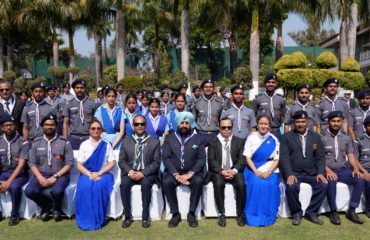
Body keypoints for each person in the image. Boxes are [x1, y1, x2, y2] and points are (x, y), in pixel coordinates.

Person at [279, 110, 328, 226]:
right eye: (297, 122)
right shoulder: (287, 137)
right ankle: (296, 213)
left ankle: (312, 212)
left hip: (312, 173)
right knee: (291, 187)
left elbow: (320, 157)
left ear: (307, 122)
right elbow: (284, 157)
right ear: (293, 123)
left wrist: (321, 173)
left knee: (323, 185)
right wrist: (289, 174)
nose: (300, 124)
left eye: (303, 121)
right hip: (294, 173)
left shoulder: (316, 137)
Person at [24, 114, 74, 221]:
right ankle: (46, 206)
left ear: (56, 126)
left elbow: (69, 163)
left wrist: (55, 176)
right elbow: (32, 163)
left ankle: (57, 208)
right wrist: (40, 177)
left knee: (57, 191)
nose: (49, 127)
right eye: (46, 125)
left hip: (61, 174)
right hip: (42, 174)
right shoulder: (36, 143)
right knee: (29, 191)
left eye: (52, 125)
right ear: (42, 126)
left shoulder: (65, 142)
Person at [162, 112, 206, 228]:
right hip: (174, 172)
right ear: (177, 124)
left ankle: (191, 213)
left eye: (187, 123)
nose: (184, 125)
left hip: (192, 172)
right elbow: (166, 158)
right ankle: (175, 213)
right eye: (182, 122)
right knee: (167, 182)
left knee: (198, 181)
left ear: (191, 124)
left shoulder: (198, 138)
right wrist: (176, 174)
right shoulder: (169, 138)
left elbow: (201, 159)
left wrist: (190, 174)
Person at [322, 110, 364, 225]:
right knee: (330, 182)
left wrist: (356, 169)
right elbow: (318, 159)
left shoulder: (346, 138)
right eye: (333, 121)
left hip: (342, 169)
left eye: (338, 121)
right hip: (328, 170)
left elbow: (350, 156)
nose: (336, 123)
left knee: (359, 179)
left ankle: (352, 210)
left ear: (341, 122)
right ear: (328, 122)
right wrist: (328, 170)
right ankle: (333, 211)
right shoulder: (322, 138)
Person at [119, 115, 161, 228]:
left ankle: (145, 217)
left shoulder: (154, 141)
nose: (139, 126)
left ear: (145, 125)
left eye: (142, 124)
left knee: (146, 184)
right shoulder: (126, 141)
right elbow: (121, 161)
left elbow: (156, 162)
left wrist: (143, 173)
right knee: (124, 184)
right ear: (133, 126)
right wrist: (129, 171)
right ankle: (127, 217)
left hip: (146, 173)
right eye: (137, 124)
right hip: (131, 172)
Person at [75, 119, 116, 230]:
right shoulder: (84, 145)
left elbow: (112, 162)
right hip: (86, 174)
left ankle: (98, 219)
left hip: (104, 174)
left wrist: (100, 173)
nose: (96, 130)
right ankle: (85, 219)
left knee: (98, 187)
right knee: (85, 188)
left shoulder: (106, 144)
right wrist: (89, 174)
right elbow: (79, 165)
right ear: (89, 130)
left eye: (98, 128)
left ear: (101, 130)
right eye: (93, 128)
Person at [206, 117, 246, 227]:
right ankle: (221, 213)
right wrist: (221, 171)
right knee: (218, 184)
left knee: (241, 184)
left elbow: (242, 159)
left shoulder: (239, 141)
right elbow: (211, 160)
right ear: (219, 128)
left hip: (234, 170)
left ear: (232, 128)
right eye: (223, 127)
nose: (226, 130)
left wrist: (234, 170)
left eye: (229, 127)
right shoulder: (213, 141)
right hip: (219, 171)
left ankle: (240, 213)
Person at [243, 115, 280, 226]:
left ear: (269, 126)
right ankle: (253, 216)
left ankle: (268, 215)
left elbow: (277, 159)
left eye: (266, 124)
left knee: (272, 185)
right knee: (256, 184)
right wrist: (256, 171)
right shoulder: (251, 137)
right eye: (261, 124)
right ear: (257, 125)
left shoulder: (274, 139)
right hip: (253, 168)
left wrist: (268, 172)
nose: (263, 126)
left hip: (270, 168)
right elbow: (247, 157)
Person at [0, 115, 29, 226]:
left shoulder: (23, 142)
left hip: (19, 174)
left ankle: (14, 214)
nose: (9, 128)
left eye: (11, 125)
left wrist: (8, 182)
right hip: (4, 173)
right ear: (1, 127)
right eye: (6, 126)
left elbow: (21, 165)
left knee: (14, 187)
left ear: (16, 126)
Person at [62, 79, 97, 150]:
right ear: (74, 89)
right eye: (77, 88)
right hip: (73, 138)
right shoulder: (69, 104)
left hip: (89, 137)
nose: (79, 90)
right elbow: (65, 124)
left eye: (82, 88)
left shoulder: (93, 103)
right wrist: (65, 141)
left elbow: (96, 122)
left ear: (85, 89)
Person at [253, 73, 286, 140]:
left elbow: (283, 116)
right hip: (262, 131)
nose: (270, 84)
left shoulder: (281, 99)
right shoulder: (258, 99)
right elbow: (254, 116)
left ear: (276, 84)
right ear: (265, 83)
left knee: (277, 150)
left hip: (276, 131)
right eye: (268, 82)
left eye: (273, 82)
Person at [192, 79, 224, 146]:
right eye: (206, 87)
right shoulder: (197, 103)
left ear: (213, 88)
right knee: (201, 156)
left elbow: (221, 120)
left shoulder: (219, 103)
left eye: (210, 87)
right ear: (202, 89)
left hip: (215, 134)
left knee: (214, 156)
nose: (208, 89)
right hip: (200, 134)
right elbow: (193, 120)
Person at [355, 115, 370, 218]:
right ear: (365, 127)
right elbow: (355, 159)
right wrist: (364, 172)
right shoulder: (359, 140)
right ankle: (369, 208)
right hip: (365, 169)